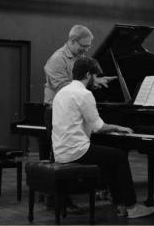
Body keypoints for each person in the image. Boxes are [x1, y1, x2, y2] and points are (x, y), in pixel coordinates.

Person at [52, 57, 154, 219]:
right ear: (88, 74)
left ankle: (121, 205)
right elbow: (99, 127)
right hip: (77, 151)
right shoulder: (84, 94)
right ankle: (132, 206)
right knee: (119, 157)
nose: (97, 79)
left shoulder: (62, 92)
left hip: (60, 151)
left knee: (110, 159)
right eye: (95, 75)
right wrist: (118, 127)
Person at [43, 25, 116, 211]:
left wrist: (94, 80)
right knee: (58, 156)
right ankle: (57, 200)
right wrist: (92, 82)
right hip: (56, 110)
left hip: (71, 110)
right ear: (73, 40)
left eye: (89, 46)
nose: (86, 49)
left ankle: (98, 187)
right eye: (84, 45)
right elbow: (62, 88)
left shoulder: (81, 59)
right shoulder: (56, 59)